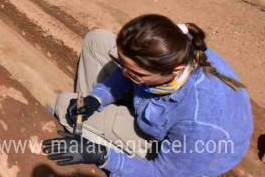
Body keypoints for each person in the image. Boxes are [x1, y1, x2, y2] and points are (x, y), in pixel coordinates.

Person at [44, 14, 252, 176]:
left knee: (64, 104)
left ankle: (87, 134)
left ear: (175, 69)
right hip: (161, 108)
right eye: (124, 64)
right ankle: (84, 124)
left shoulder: (199, 123)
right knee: (96, 40)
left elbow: (162, 173)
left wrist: (102, 156)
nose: (124, 73)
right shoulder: (178, 47)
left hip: (183, 158)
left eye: (136, 73)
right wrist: (96, 98)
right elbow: (128, 71)